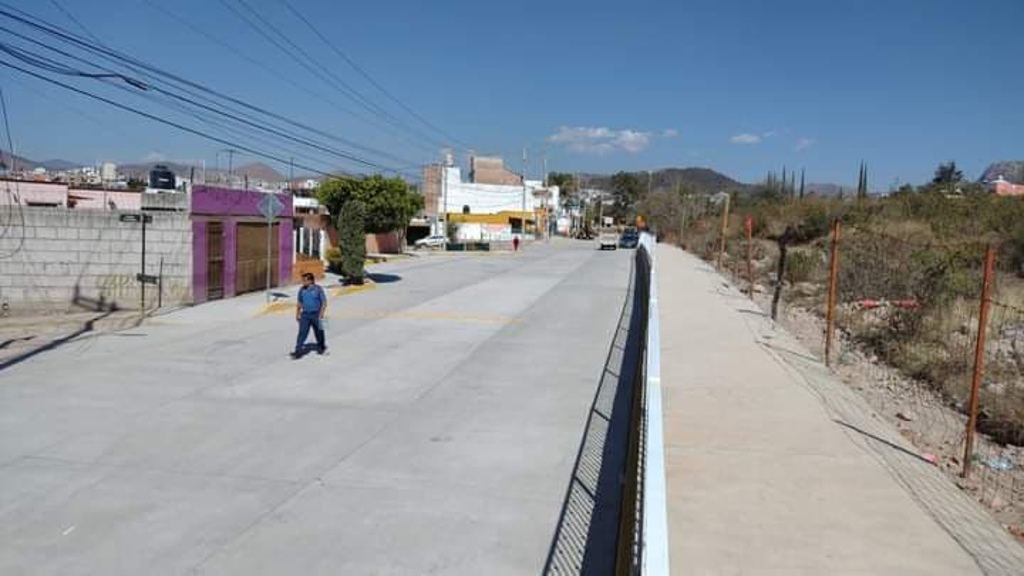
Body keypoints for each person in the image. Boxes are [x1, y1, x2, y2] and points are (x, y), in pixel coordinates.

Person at [292, 272, 327, 358]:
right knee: (302, 333)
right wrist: (297, 314)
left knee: (320, 332)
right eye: (302, 280)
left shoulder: (318, 289)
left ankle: (321, 347)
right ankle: (298, 351)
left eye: (305, 280)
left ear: (311, 281)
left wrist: (321, 314)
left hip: (317, 314)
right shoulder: (301, 290)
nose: (303, 282)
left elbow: (324, 302)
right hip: (305, 315)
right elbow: (299, 302)